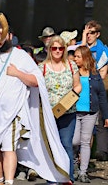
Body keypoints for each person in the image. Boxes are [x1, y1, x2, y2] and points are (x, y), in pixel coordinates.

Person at [0, 24, 71, 184]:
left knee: (8, 147)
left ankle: (9, 181)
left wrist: (17, 73)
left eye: (3, 35)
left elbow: (36, 81)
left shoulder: (21, 56)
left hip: (12, 112)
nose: (1, 38)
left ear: (11, 36)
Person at [38, 35, 81, 182]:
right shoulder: (42, 67)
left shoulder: (71, 65)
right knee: (51, 146)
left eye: (61, 48)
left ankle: (67, 177)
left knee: (66, 144)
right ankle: (52, 178)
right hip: (49, 114)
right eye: (54, 48)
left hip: (68, 112)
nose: (57, 51)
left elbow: (78, 85)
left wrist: (72, 97)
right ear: (50, 49)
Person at [73, 46, 108, 183]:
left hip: (91, 112)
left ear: (85, 58)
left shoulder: (95, 75)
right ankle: (74, 164)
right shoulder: (73, 72)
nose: (75, 59)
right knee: (74, 140)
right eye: (74, 56)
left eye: (78, 56)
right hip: (74, 112)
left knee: (85, 141)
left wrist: (106, 116)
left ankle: (83, 172)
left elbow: (102, 96)